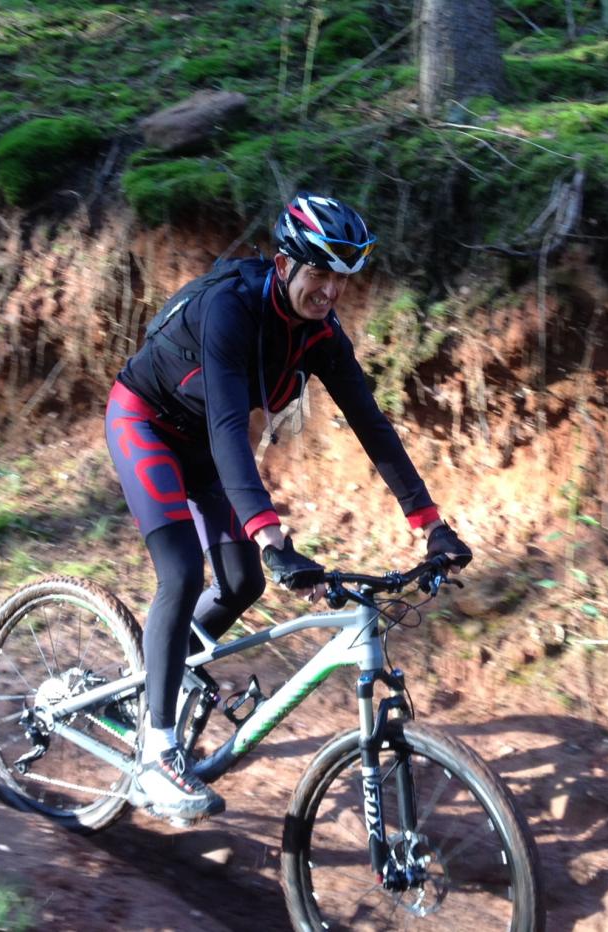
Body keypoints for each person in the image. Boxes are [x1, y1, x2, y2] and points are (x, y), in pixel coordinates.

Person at [105, 192, 472, 823]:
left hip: (207, 445)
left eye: (342, 279)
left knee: (241, 581)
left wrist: (430, 524)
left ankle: (157, 678)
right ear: (283, 264)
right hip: (148, 424)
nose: (330, 291)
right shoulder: (230, 309)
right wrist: (271, 537)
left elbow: (372, 425)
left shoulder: (320, 333)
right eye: (320, 273)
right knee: (182, 572)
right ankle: (156, 754)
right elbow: (229, 428)